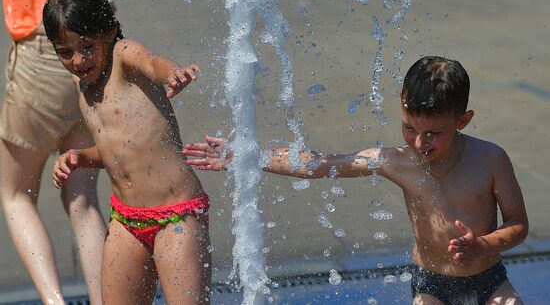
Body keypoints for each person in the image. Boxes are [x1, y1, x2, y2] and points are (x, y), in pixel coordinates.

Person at [183, 56, 529, 304]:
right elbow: (319, 164)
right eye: (410, 128)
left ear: (463, 120)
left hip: (489, 279)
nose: (420, 143)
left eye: (434, 134)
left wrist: (483, 245)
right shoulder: (396, 161)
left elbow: (518, 224)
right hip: (432, 283)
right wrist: (249, 156)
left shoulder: (490, 159)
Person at [44, 0, 211, 304]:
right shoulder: (85, 88)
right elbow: (116, 151)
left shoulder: (123, 55)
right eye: (65, 52)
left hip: (176, 216)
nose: (78, 61)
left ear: (111, 32)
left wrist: (172, 72)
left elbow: (153, 61)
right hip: (126, 219)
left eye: (87, 46)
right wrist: (80, 156)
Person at [0, 0, 106, 303]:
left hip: (46, 51)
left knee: (15, 194)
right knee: (83, 199)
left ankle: (54, 301)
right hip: (95, 52)